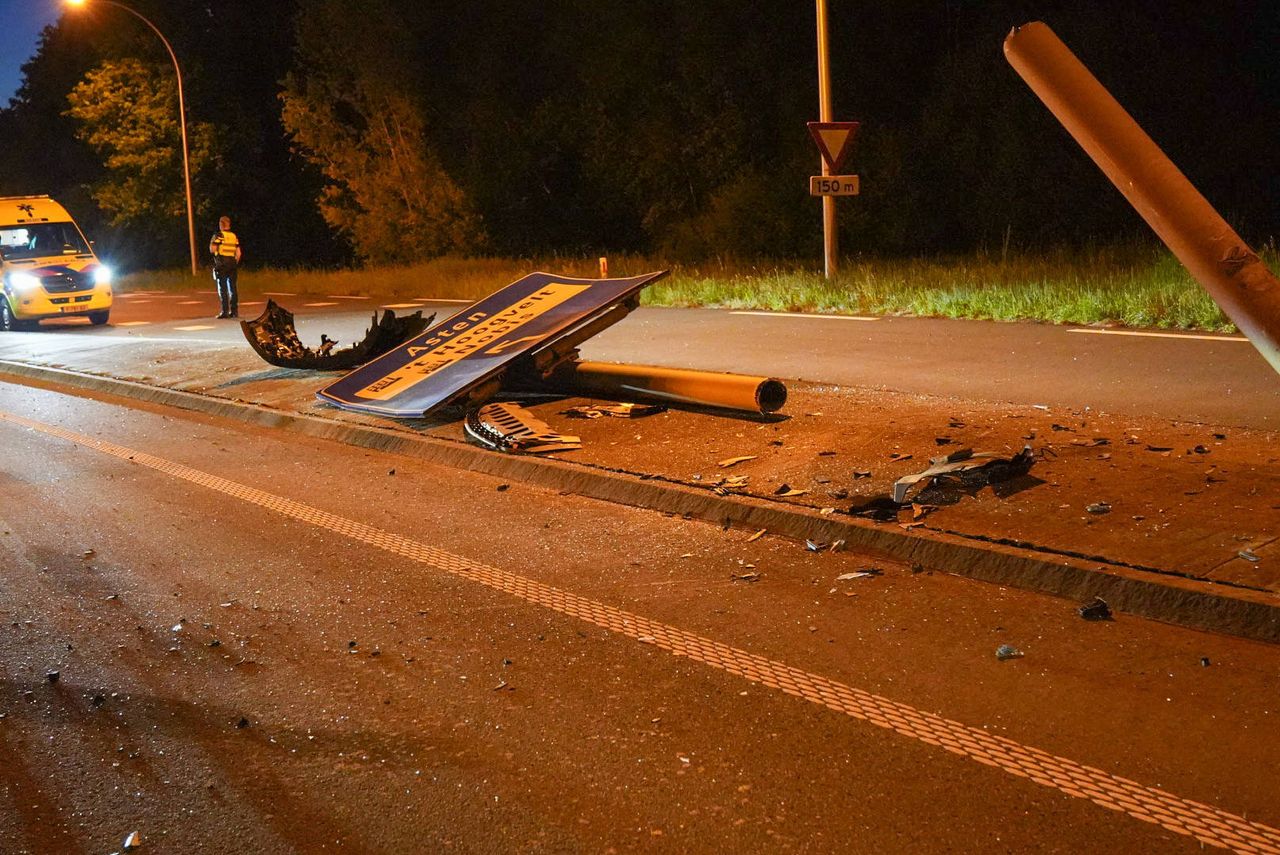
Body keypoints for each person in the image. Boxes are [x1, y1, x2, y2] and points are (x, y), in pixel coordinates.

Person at [209, 216, 243, 318]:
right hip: (232, 263)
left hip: (222, 263)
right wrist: (234, 261)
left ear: (221, 224)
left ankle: (224, 311)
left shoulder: (219, 235)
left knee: (222, 288)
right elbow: (239, 253)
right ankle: (234, 311)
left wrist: (214, 247)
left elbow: (212, 249)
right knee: (233, 287)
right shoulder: (234, 236)